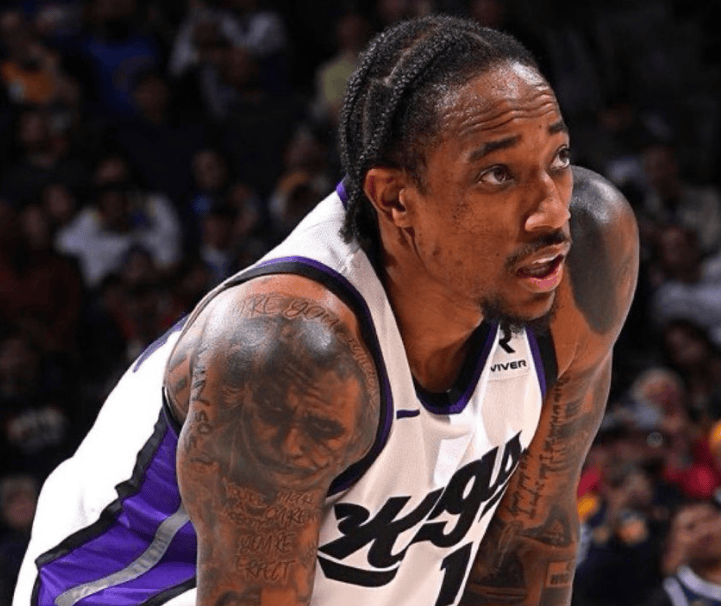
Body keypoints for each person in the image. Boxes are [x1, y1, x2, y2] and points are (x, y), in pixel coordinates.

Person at [13, 15, 639, 606]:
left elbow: (527, 545)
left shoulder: (585, 255)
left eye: (558, 159)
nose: (551, 213)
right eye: (497, 175)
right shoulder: (287, 352)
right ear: (396, 200)